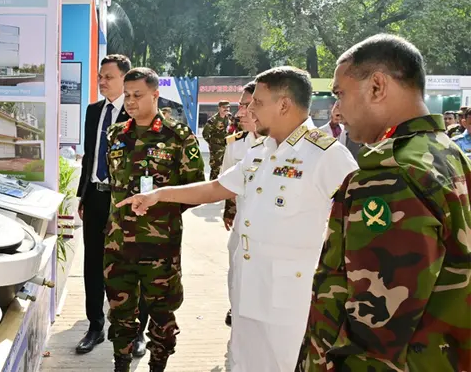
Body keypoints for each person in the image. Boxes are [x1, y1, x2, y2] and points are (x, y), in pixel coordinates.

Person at [117, 66, 358, 372]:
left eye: (256, 102)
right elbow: (217, 187)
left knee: (282, 364)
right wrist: (160, 195)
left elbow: (355, 226)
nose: (249, 109)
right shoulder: (260, 151)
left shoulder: (327, 155)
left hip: (289, 299)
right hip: (247, 286)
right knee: (243, 361)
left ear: (283, 104)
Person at [297, 34, 471, 371]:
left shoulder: (390, 175)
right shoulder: (449, 155)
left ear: (377, 87)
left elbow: (376, 337)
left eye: (340, 94)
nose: (337, 110)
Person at [104, 67, 204, 372]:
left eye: (138, 95)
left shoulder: (178, 137)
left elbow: (195, 189)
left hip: (159, 249)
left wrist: (160, 209)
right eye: (127, 95)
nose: (130, 102)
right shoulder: (116, 135)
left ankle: (157, 366)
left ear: (155, 94)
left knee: (162, 316)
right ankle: (120, 364)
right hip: (118, 245)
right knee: (120, 314)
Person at [75, 54, 150, 356]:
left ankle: (137, 332)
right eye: (99, 76)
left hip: (126, 203)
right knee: (93, 264)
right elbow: (89, 157)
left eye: (108, 76)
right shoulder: (93, 111)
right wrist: (83, 195)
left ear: (124, 78)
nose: (102, 81)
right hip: (95, 197)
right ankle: (95, 327)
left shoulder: (138, 114)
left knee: (132, 266)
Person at [219, 81, 259, 327]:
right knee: (236, 273)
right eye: (239, 105)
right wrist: (229, 211)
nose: (239, 112)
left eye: (246, 105)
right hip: (241, 225)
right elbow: (224, 185)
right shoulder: (237, 143)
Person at [201, 100, 230, 179]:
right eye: (224, 107)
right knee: (215, 169)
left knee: (225, 168)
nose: (226, 109)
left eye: (228, 107)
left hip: (227, 147)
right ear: (219, 108)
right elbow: (205, 134)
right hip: (216, 149)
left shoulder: (229, 117)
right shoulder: (213, 120)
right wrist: (212, 144)